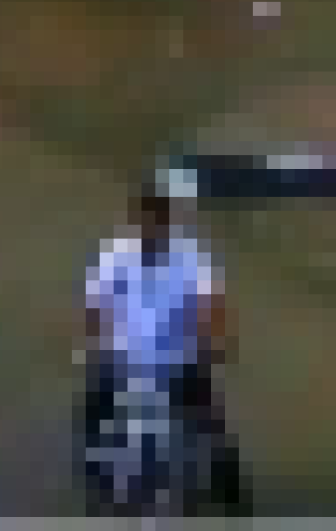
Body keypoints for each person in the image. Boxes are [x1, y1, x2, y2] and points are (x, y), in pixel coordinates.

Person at [77, 174, 228, 487]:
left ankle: (229, 489)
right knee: (97, 402)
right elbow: (97, 303)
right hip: (124, 352)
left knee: (209, 421)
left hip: (179, 354)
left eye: (159, 219)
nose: (152, 227)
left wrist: (214, 339)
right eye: (146, 218)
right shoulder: (116, 256)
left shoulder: (191, 257)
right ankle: (95, 463)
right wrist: (93, 340)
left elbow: (210, 301)